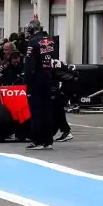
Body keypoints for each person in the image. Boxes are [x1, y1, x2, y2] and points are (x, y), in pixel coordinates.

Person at [23, 18, 58, 150]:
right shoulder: (49, 40)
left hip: (36, 79)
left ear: (32, 29)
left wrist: (26, 80)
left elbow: (29, 63)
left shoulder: (33, 42)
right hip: (48, 77)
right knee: (47, 110)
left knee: (36, 111)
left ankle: (37, 141)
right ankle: (48, 141)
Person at [51, 63, 77, 143]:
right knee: (57, 108)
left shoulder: (49, 67)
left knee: (57, 108)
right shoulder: (54, 64)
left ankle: (66, 131)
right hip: (71, 82)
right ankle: (62, 131)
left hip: (70, 84)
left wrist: (61, 92)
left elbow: (54, 79)